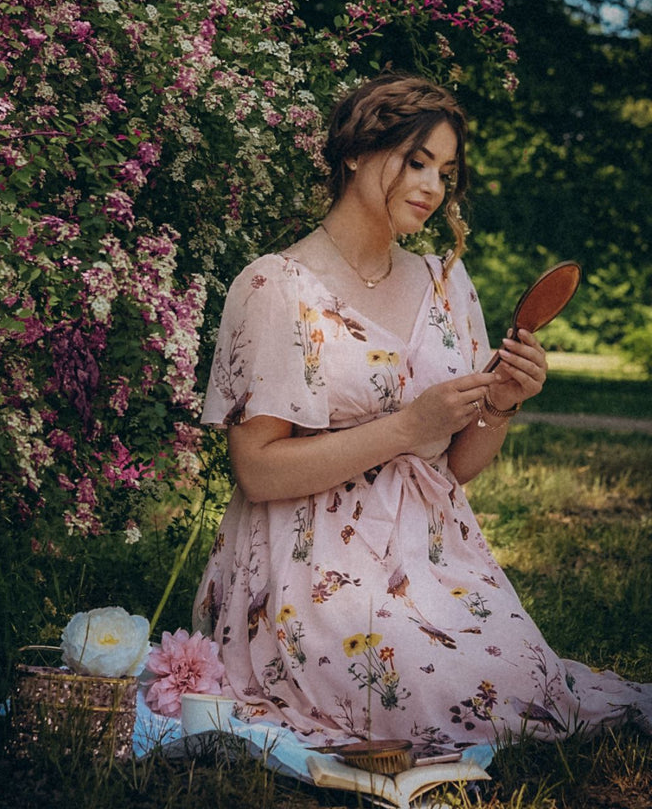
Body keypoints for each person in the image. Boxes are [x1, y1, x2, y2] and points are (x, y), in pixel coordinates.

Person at [192, 70, 651, 749]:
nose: (433, 187)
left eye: (445, 171)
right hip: (306, 566)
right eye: (416, 162)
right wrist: (406, 427)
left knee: (527, 691)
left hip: (436, 556)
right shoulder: (275, 288)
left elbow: (458, 466)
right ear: (353, 152)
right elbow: (257, 472)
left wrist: (500, 404)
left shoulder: (445, 283)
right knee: (421, 696)